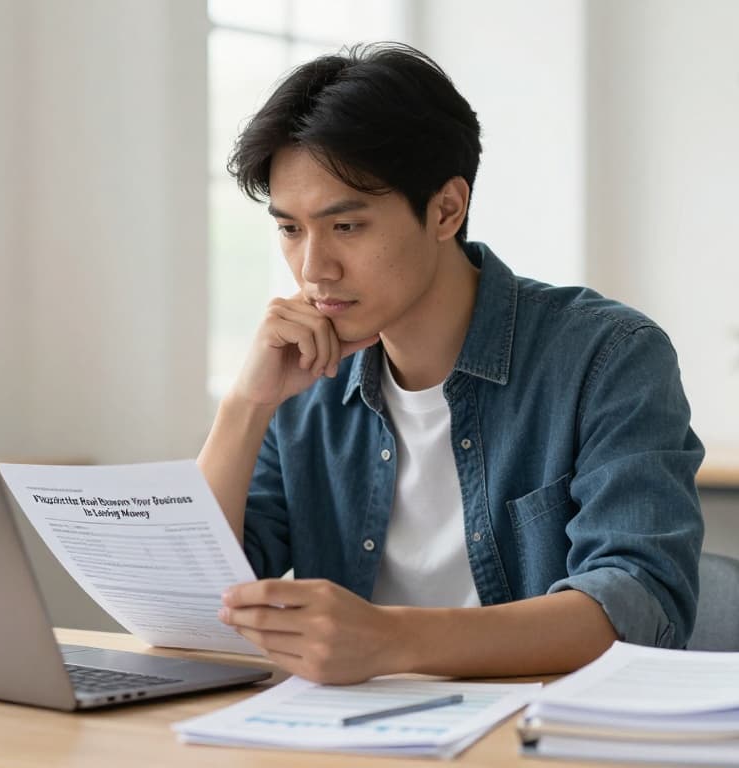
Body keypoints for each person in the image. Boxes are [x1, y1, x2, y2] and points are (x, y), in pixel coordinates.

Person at [198, 42, 703, 685]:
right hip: (342, 739)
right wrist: (246, 406)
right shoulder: (302, 377)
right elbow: (198, 603)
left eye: (346, 227)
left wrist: (389, 639)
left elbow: (637, 602)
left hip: (537, 738)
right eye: (291, 229)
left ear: (446, 209)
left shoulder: (607, 357)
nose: (313, 269)